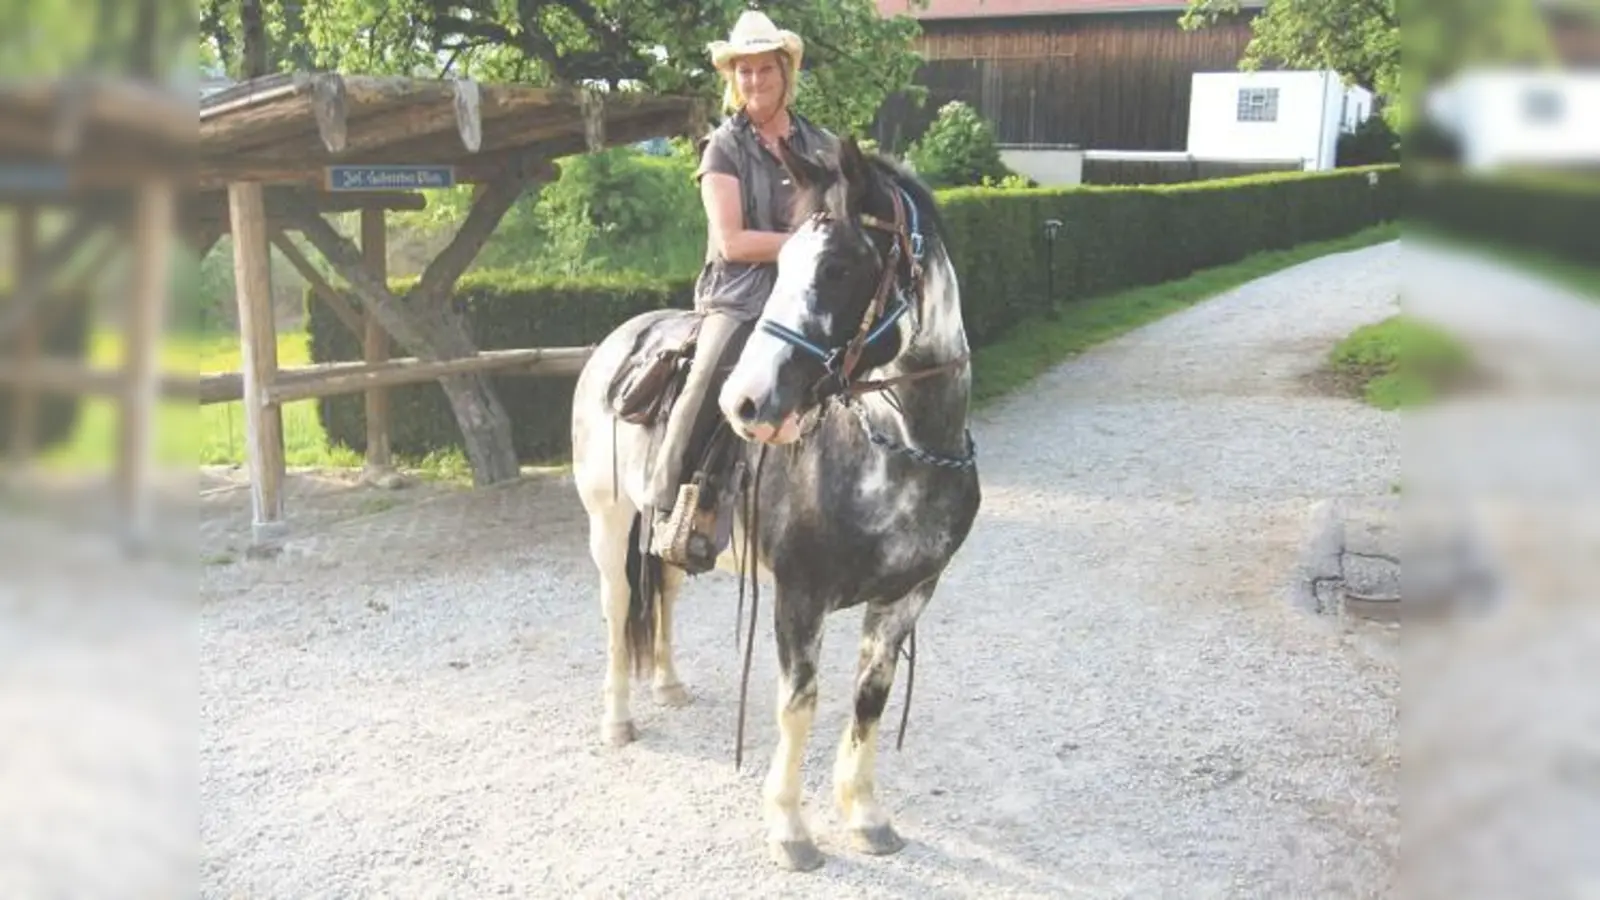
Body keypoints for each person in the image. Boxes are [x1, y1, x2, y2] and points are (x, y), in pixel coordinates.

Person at [647, 10, 839, 566]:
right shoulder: (722, 148)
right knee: (710, 372)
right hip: (741, 291)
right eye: (744, 71)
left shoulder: (820, 144)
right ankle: (670, 505)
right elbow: (731, 241)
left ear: (785, 73)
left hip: (806, 290)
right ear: (733, 79)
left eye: (764, 70)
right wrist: (803, 242)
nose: (754, 81)